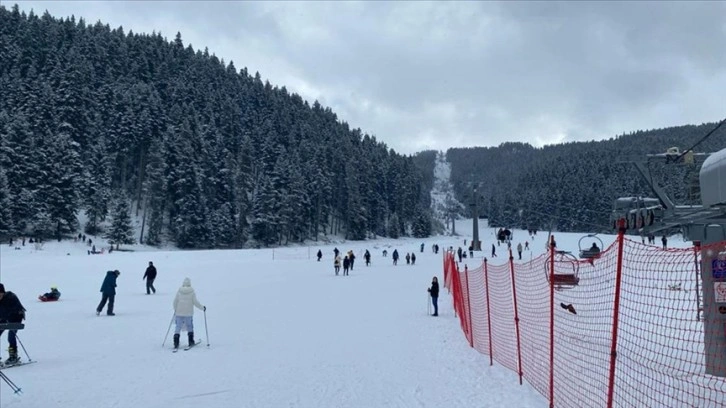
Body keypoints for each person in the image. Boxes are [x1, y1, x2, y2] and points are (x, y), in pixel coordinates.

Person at [172, 278, 206, 350]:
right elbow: (196, 302)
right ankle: (190, 341)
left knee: (178, 327)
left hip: (179, 312)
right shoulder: (192, 292)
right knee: (189, 326)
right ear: (190, 284)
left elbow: (175, 302)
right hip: (188, 313)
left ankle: (176, 342)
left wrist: (175, 309)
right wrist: (202, 308)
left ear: (183, 283)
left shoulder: (179, 291)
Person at [0, 283, 26, 365]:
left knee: (11, 335)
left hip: (16, 318)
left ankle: (13, 356)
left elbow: (15, 309)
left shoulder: (11, 297)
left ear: (3, 292)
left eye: (0, 294)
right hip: (4, 318)